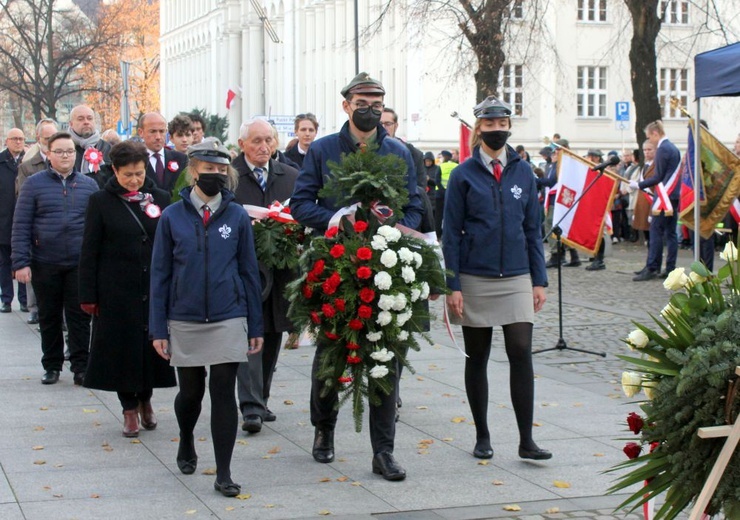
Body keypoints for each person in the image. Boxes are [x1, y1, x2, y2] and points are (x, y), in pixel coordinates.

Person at [291, 72, 422, 481]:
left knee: (386, 358)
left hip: (386, 265)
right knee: (332, 354)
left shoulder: (399, 152)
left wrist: (394, 227)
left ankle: (383, 450)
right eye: (362, 101)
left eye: (377, 102)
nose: (371, 108)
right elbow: (300, 203)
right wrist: (336, 221)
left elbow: (416, 208)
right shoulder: (324, 149)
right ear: (346, 105)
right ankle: (324, 430)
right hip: (335, 264)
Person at [149, 139, 264, 497]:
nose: (213, 175)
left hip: (228, 314)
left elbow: (249, 271)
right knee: (191, 393)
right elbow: (160, 275)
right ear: (193, 170)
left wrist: (254, 324)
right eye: (206, 169)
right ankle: (186, 438)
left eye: (219, 169)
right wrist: (158, 327)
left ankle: (224, 472)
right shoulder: (172, 216)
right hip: (184, 316)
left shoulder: (237, 215)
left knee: (223, 392)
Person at [443, 96, 551, 462]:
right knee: (478, 355)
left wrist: (539, 279)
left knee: (521, 351)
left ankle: (526, 440)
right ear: (479, 129)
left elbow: (533, 229)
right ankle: (482, 435)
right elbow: (450, 232)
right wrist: (452, 284)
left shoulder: (524, 172)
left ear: (509, 126)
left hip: (517, 274)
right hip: (475, 276)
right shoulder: (461, 175)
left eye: (502, 123)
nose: (496, 129)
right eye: (489, 124)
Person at [78, 140, 177, 438]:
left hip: (152, 286)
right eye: (127, 175)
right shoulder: (101, 201)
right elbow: (89, 250)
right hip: (116, 289)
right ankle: (128, 408)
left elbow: (170, 242)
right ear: (115, 171)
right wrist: (88, 294)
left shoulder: (159, 197)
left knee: (150, 347)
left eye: (139, 173)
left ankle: (146, 399)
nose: (134, 180)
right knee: (122, 349)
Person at [12, 132, 98, 385]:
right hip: (44, 262)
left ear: (76, 154)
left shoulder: (88, 185)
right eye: (59, 151)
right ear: (48, 154)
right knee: (49, 317)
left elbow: (96, 227)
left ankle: (81, 366)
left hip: (78, 264)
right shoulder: (34, 184)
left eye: (70, 151)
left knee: (79, 318)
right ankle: (51, 365)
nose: (65, 156)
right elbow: (21, 224)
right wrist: (20, 262)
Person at [232, 118, 299, 434]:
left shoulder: (292, 177)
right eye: (256, 141)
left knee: (272, 333)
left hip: (282, 270)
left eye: (268, 140)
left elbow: (302, 218)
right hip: (244, 270)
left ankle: (261, 398)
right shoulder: (230, 176)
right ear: (242, 144)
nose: (263, 147)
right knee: (249, 334)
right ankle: (251, 407)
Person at [17, 119, 59, 324]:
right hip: (38, 227)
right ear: (39, 139)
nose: (50, 141)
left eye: (53, 137)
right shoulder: (28, 165)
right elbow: (22, 198)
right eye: (46, 138)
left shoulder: (67, 160)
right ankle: (35, 308)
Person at [631, 121, 681, 281]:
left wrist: (639, 184)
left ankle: (653, 267)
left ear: (655, 133)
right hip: (673, 196)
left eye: (649, 138)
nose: (649, 141)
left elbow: (658, 176)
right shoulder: (673, 148)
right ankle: (670, 268)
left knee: (656, 232)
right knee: (671, 234)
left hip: (664, 197)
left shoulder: (663, 149)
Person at [0, 128, 27, 313]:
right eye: (15, 139)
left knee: (23, 260)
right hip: (4, 219)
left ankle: (25, 300)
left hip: (23, 218)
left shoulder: (28, 161)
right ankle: (7, 299)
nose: (18, 142)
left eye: (21, 139)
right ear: (7, 141)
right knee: (4, 262)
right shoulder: (1, 162)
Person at [138, 112, 188, 194]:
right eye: (153, 131)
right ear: (141, 132)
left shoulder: (181, 159)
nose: (158, 137)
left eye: (162, 131)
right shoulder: (135, 160)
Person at [67, 105, 112, 187]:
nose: (86, 122)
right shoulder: (64, 148)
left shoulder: (106, 148)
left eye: (90, 118)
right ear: (71, 124)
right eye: (80, 119)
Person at [435, 150, 458, 238]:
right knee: (452, 215)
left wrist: (442, 191)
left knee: (438, 216)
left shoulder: (441, 166)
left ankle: (438, 234)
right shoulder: (456, 166)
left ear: (444, 157)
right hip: (453, 195)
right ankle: (450, 234)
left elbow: (437, 180)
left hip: (440, 195)